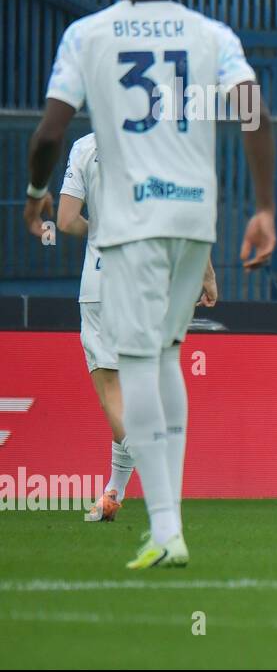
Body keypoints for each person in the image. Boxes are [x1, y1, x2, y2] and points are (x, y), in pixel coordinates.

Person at [25, 0, 276, 569]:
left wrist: (35, 191)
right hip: (194, 216)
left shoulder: (89, 35)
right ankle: (169, 521)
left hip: (133, 222)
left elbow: (50, 131)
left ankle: (166, 529)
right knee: (167, 355)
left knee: (138, 362)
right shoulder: (211, 34)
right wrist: (266, 207)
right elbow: (253, 113)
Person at [58, 132, 218, 523]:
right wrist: (205, 272)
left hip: (100, 286)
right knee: (134, 396)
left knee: (112, 395)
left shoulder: (86, 147)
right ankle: (114, 492)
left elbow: (63, 221)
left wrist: (95, 229)